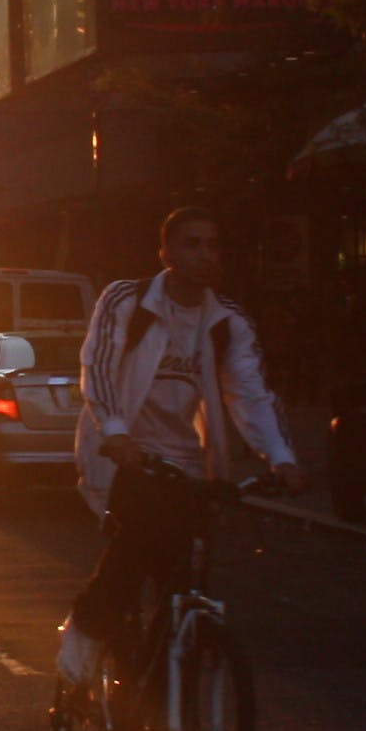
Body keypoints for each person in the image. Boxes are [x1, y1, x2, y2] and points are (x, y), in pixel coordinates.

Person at [61, 207, 302, 689]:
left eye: (212, 245)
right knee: (136, 545)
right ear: (166, 252)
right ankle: (85, 630)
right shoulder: (126, 300)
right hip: (125, 454)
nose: (204, 254)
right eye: (191, 244)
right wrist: (115, 432)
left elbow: (250, 392)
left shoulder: (226, 320)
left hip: (189, 464)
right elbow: (100, 366)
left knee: (189, 585)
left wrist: (282, 457)